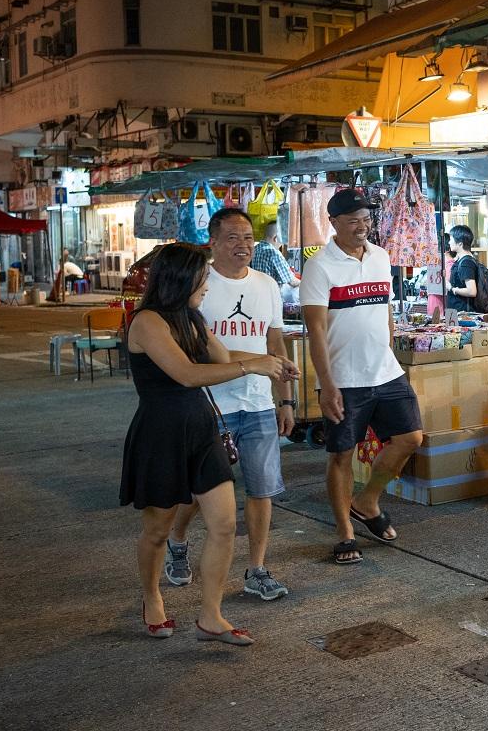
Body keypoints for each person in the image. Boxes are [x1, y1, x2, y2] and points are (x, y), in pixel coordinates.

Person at [120, 242, 296, 645]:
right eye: (202, 279)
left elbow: (222, 355)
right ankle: (152, 597)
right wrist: (252, 366)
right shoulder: (147, 322)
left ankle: (211, 616)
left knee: (224, 524)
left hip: (201, 428)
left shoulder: (193, 318)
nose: (207, 286)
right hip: (161, 433)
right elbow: (187, 374)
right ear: (181, 279)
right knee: (157, 530)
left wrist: (271, 361)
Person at [163, 209, 295, 602]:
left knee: (262, 489)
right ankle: (177, 539)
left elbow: (275, 343)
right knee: (201, 489)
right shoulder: (199, 285)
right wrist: (253, 363)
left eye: (248, 237)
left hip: (258, 403)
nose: (243, 245)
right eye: (233, 238)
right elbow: (197, 351)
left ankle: (256, 569)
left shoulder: (267, 285)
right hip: (210, 404)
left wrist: (286, 400)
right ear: (214, 242)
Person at [301, 188, 424, 565]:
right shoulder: (319, 266)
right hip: (343, 378)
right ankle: (345, 532)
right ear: (334, 223)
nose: (362, 227)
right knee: (342, 454)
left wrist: (389, 346)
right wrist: (326, 384)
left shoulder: (380, 256)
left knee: (410, 438)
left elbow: (384, 309)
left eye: (366, 219)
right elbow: (316, 330)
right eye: (353, 220)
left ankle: (367, 500)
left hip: (385, 371)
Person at [252, 222, 300, 304]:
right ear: (276, 238)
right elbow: (291, 281)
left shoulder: (254, 250)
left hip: (256, 299)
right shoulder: (274, 253)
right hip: (271, 300)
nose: (283, 243)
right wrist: (305, 283)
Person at [446, 225, 479, 312]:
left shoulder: (466, 263)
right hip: (457, 311)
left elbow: (472, 291)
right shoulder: (464, 260)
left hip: (463, 313)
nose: (449, 242)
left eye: (451, 239)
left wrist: (452, 289)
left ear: (460, 243)